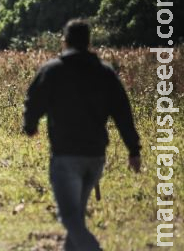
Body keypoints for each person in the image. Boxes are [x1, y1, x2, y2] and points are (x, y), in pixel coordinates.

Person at [22, 19, 141, 251]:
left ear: (64, 41)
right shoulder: (105, 72)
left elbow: (34, 100)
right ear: (89, 42)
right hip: (95, 156)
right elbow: (123, 114)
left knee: (69, 217)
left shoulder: (52, 70)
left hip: (66, 155)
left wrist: (30, 125)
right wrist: (133, 150)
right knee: (76, 217)